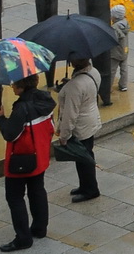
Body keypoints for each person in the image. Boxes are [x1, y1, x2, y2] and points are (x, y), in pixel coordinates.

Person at [0, 74, 56, 251]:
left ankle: (23, 239)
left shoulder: (22, 108)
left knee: (14, 197)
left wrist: (1, 118)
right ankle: (39, 228)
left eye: (14, 85)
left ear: (22, 86)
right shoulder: (45, 100)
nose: (12, 87)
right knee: (37, 191)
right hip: (39, 156)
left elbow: (10, 134)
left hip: (21, 160)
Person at [54, 57, 102, 201]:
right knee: (85, 155)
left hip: (81, 125)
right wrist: (70, 84)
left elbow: (70, 114)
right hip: (91, 120)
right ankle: (85, 186)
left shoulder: (75, 86)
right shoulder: (94, 72)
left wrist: (64, 135)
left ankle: (91, 190)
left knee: (83, 159)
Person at [106, 5, 131, 94]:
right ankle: (123, 85)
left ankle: (108, 87)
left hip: (115, 53)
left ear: (115, 17)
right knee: (124, 69)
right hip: (124, 50)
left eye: (111, 15)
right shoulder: (126, 23)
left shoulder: (115, 27)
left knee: (112, 70)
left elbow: (114, 39)